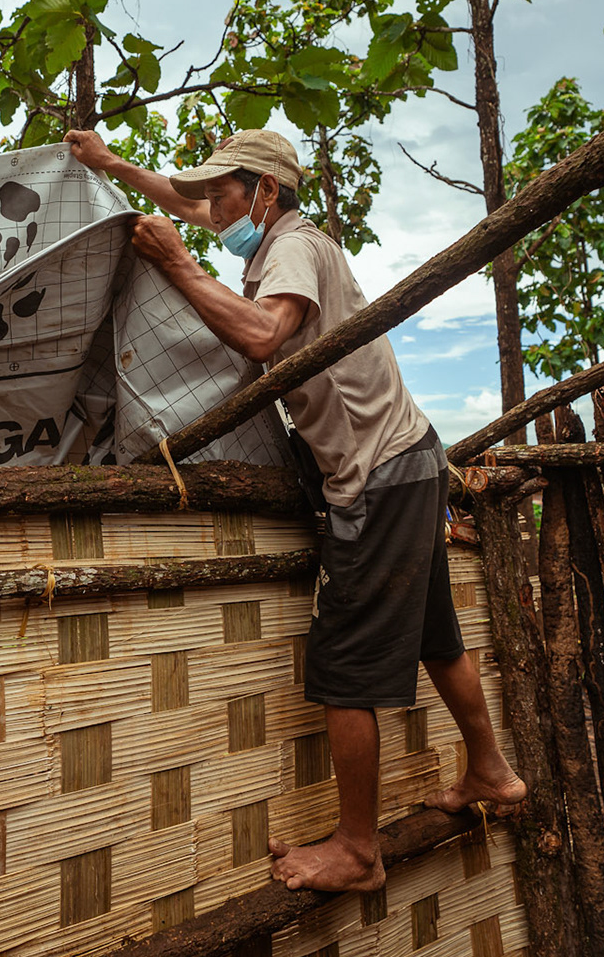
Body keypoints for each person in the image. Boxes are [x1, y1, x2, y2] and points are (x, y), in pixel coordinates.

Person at [65, 125, 526, 893]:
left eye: (224, 192)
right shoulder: (274, 237)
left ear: (266, 192)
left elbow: (263, 334)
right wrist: (114, 165)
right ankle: (490, 769)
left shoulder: (292, 247)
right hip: (407, 457)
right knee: (436, 636)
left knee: (342, 666)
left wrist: (177, 261)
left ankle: (357, 848)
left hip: (376, 474)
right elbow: (185, 199)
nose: (210, 208)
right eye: (207, 195)